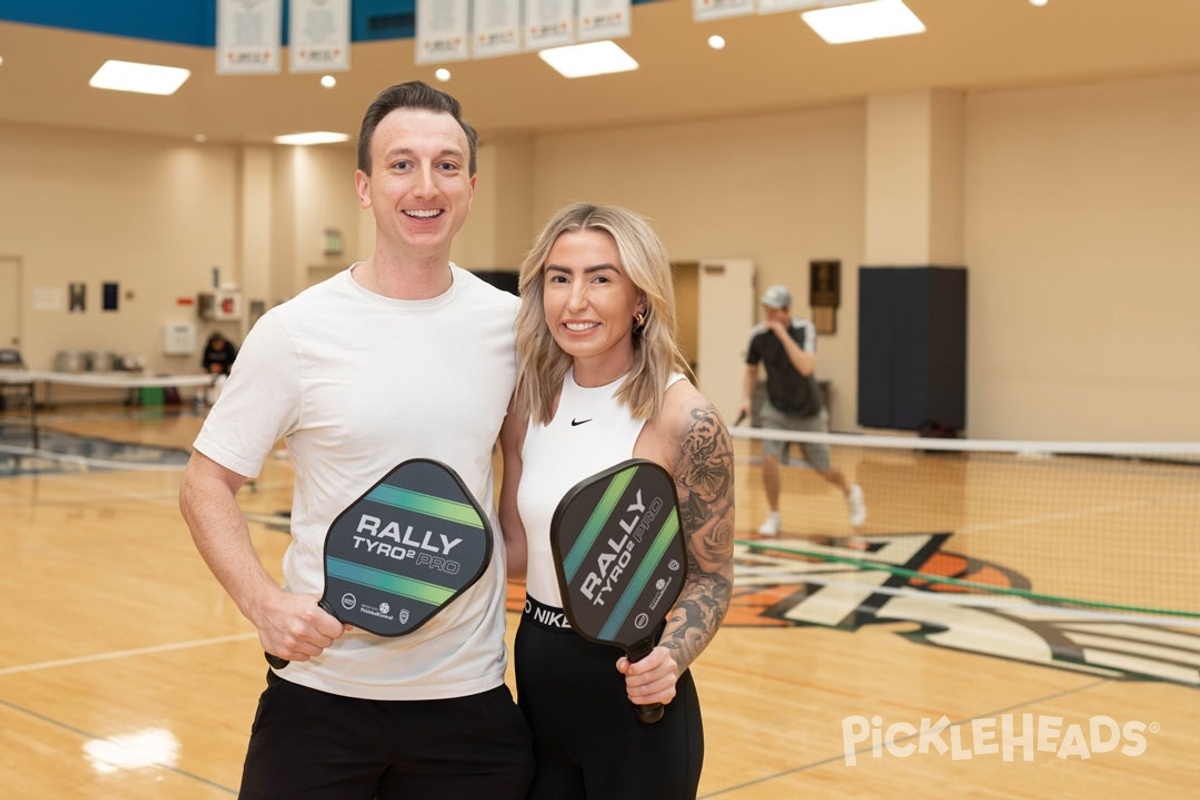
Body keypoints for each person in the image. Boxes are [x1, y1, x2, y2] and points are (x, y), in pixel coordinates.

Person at [177, 81, 533, 799]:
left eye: (446, 165)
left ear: (470, 186)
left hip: (468, 700)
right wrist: (264, 603)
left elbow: (522, 483)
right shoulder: (295, 331)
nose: (425, 185)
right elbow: (204, 483)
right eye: (402, 165)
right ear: (366, 187)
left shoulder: (512, 325)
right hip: (319, 698)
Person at [499, 203, 735, 800]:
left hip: (634, 682)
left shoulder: (686, 420)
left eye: (600, 278)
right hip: (538, 662)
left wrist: (671, 658)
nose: (575, 301)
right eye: (559, 278)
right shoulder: (527, 405)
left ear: (641, 299)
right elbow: (520, 552)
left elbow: (711, 576)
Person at [738, 284, 865, 535]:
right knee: (769, 459)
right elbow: (751, 371)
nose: (770, 316)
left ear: (788, 310)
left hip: (809, 411)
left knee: (823, 468)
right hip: (776, 409)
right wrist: (746, 399)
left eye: (775, 311)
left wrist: (783, 336)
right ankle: (774, 515)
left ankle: (851, 493)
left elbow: (806, 367)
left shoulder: (805, 329)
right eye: (767, 310)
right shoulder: (758, 336)